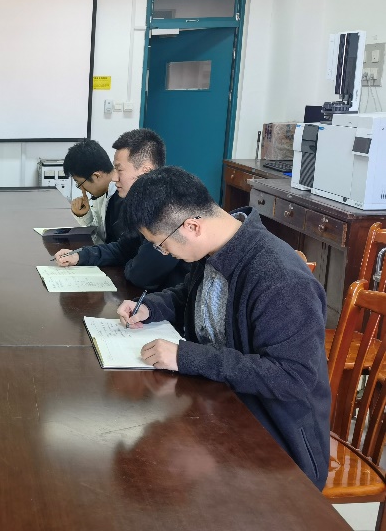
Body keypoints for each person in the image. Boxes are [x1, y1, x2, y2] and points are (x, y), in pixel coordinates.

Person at [115, 166, 330, 488]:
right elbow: (194, 297)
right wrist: (151, 307)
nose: (164, 253)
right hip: (218, 408)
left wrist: (187, 357)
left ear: (192, 226)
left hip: (274, 446)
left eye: (161, 245)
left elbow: (292, 377)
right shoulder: (215, 249)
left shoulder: (280, 278)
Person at [54, 128, 189, 292]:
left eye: (120, 169)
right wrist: (79, 256)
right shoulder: (145, 204)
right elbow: (123, 248)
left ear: (146, 171)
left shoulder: (167, 211)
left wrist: (130, 262)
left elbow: (140, 275)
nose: (114, 177)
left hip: (170, 303)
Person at [62, 139, 124, 245]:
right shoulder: (103, 193)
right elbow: (100, 236)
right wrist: (84, 216)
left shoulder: (121, 198)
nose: (82, 190)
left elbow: (110, 247)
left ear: (96, 176)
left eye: (80, 183)